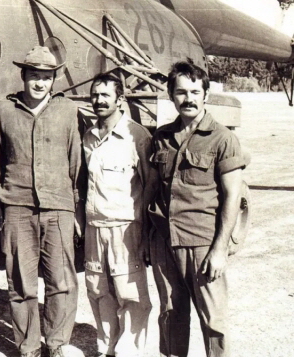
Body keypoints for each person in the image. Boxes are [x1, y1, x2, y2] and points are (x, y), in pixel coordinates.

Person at [0, 46, 83, 357]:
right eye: (34, 76)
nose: (40, 83)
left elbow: (76, 162)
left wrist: (75, 208)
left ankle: (56, 344)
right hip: (17, 207)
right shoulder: (4, 110)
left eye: (47, 77)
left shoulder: (68, 111)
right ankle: (28, 347)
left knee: (61, 281)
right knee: (21, 282)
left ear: (54, 80)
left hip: (58, 208)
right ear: (23, 76)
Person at [149, 60, 245, 357]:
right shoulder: (161, 137)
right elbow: (152, 191)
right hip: (165, 243)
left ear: (206, 95)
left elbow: (232, 197)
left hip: (202, 244)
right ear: (171, 95)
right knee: (170, 315)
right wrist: (148, 241)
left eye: (194, 91)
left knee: (213, 321)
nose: (188, 98)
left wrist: (219, 250)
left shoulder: (223, 139)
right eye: (180, 92)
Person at [82, 73, 155, 357]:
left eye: (105, 95)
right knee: (99, 291)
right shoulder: (88, 136)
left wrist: (145, 233)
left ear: (120, 100)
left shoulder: (138, 137)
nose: (98, 101)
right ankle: (106, 348)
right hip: (94, 227)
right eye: (95, 95)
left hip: (126, 228)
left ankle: (130, 352)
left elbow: (149, 186)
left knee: (131, 295)